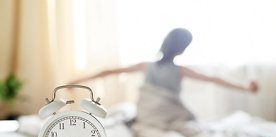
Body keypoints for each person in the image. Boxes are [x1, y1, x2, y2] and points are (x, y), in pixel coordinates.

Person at [70, 28, 258, 95]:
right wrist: (245, 87)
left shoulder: (146, 66)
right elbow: (213, 79)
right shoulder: (180, 71)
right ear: (182, 50)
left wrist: (76, 82)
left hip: (148, 118)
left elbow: (110, 71)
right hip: (168, 119)